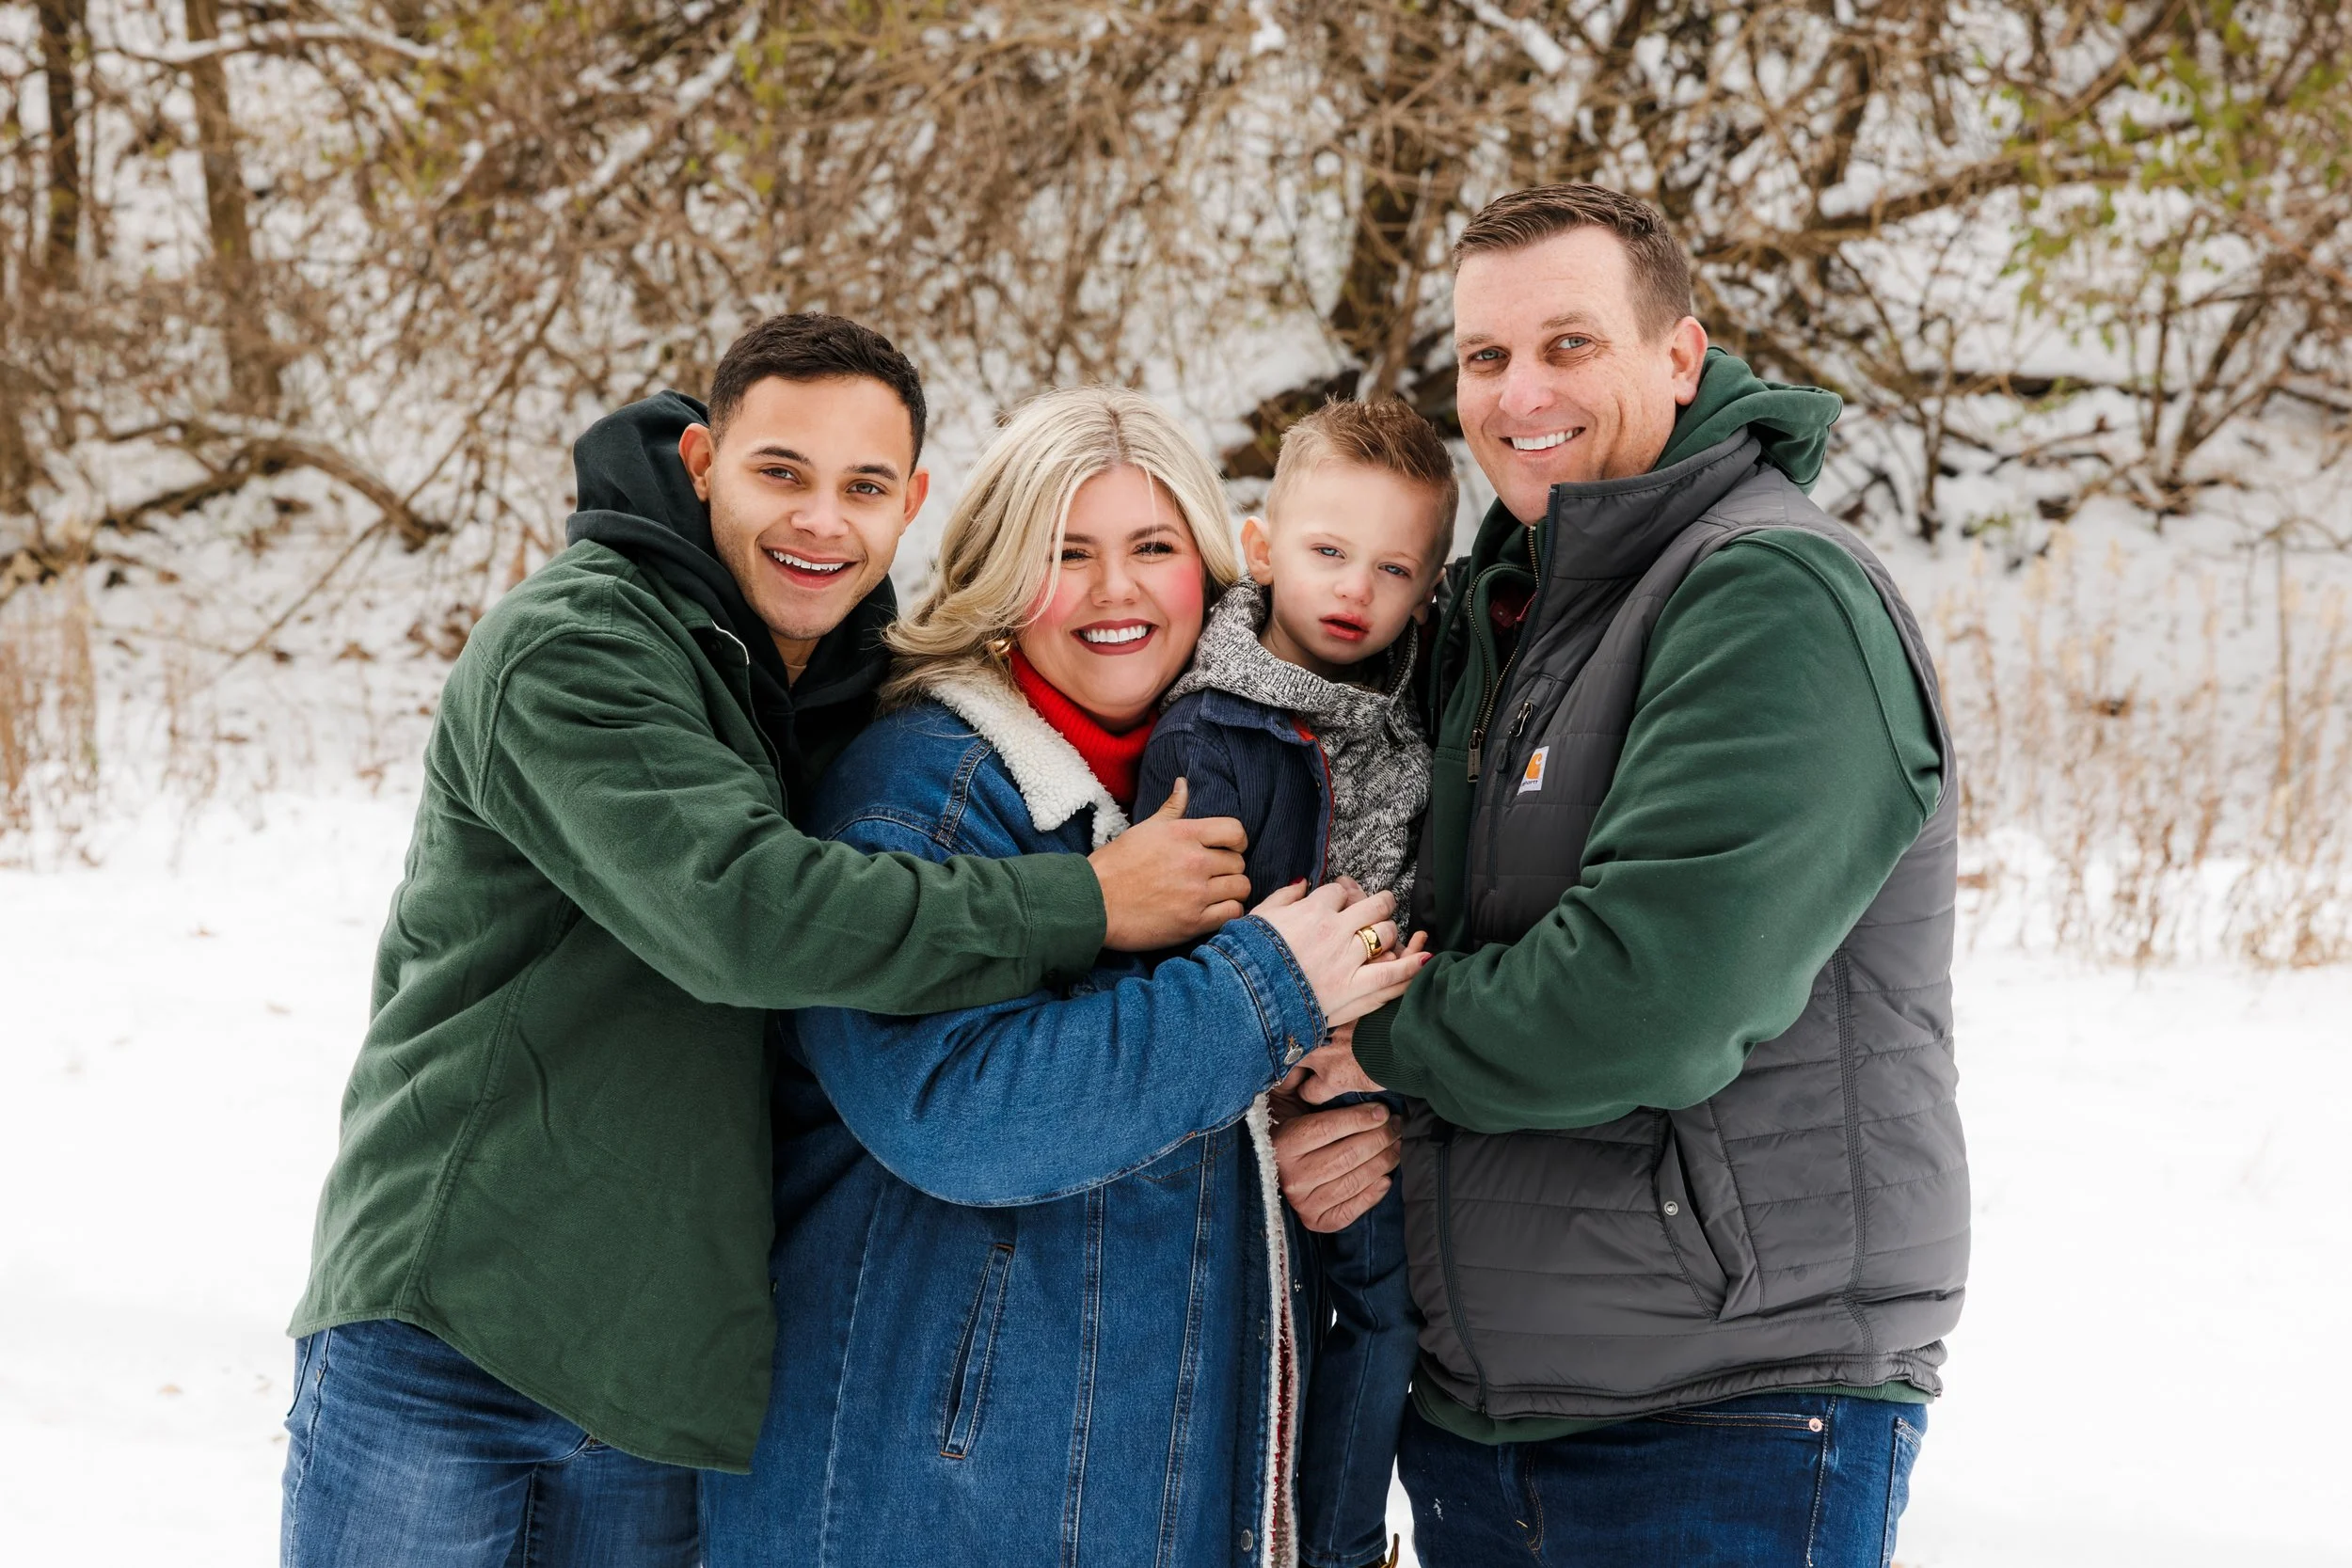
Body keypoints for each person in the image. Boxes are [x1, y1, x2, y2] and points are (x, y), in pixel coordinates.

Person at [278, 316, 1274, 1567]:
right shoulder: (581, 646)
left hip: (662, 1375)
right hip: (460, 1328)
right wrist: (1087, 903)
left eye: (863, 487)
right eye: (780, 472)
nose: (821, 520)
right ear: (702, 463)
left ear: (911, 502)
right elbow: (738, 912)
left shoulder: (833, 681)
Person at [1326, 185, 1965, 1564]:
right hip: (1489, 1410)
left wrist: (1357, 1037)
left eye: (1570, 343)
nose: (1519, 390)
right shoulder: (1513, 612)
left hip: (1724, 1407)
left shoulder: (1767, 592)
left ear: (1681, 356)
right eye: (1485, 357)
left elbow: (1650, 993)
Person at [700, 385, 1429, 1568]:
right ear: (998, 575)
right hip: (924, 1507)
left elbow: (1160, 1096)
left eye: (1152, 548)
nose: (1116, 591)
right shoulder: (929, 788)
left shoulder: (1225, 784)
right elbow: (954, 1108)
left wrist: (1294, 1128)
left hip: (1133, 1497)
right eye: (1066, 553)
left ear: (1211, 567)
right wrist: (1264, 989)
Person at [1135, 398, 1457, 1568]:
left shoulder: (1418, 698)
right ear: (1262, 545)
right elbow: (1182, 936)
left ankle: (1339, 1542)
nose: (1354, 591)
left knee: (1380, 1315)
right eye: (1326, 551)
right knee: (1269, 1325)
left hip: (1373, 1071)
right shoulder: (1211, 732)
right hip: (1256, 1079)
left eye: (1392, 567)